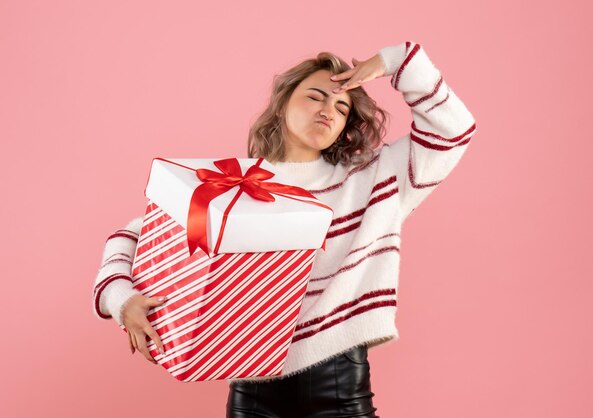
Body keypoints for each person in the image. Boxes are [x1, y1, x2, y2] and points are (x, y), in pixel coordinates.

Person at [92, 40, 477, 417]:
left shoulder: (375, 177)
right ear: (282, 104)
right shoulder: (233, 184)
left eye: (341, 105)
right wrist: (121, 301)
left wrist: (394, 62)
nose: (328, 109)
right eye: (315, 96)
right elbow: (135, 235)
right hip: (252, 390)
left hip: (339, 385)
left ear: (346, 125)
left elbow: (453, 130)